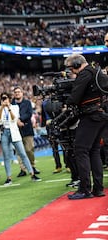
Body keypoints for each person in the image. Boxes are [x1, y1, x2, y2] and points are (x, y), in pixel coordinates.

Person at [65, 54, 108, 199]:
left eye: (72, 68)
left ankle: (84, 189)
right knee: (94, 151)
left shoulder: (84, 74)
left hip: (90, 116)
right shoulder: (97, 72)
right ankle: (98, 189)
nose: (72, 72)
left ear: (78, 64)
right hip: (101, 115)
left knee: (81, 150)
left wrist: (67, 101)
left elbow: (74, 98)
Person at [0, 92, 41, 185]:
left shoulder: (15, 107)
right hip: (4, 132)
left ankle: (32, 174)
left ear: (9, 99)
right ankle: (8, 177)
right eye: (3, 98)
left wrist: (8, 108)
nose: (4, 100)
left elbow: (14, 119)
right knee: (6, 156)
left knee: (22, 153)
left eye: (6, 98)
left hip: (14, 132)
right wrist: (2, 108)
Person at [12, 86, 40, 177]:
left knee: (29, 149)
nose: (17, 93)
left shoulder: (27, 103)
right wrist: (17, 122)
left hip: (27, 128)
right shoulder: (11, 104)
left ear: (22, 93)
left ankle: (32, 166)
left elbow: (29, 113)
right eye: (15, 92)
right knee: (19, 151)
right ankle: (22, 169)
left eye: (19, 92)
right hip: (16, 130)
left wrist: (20, 120)